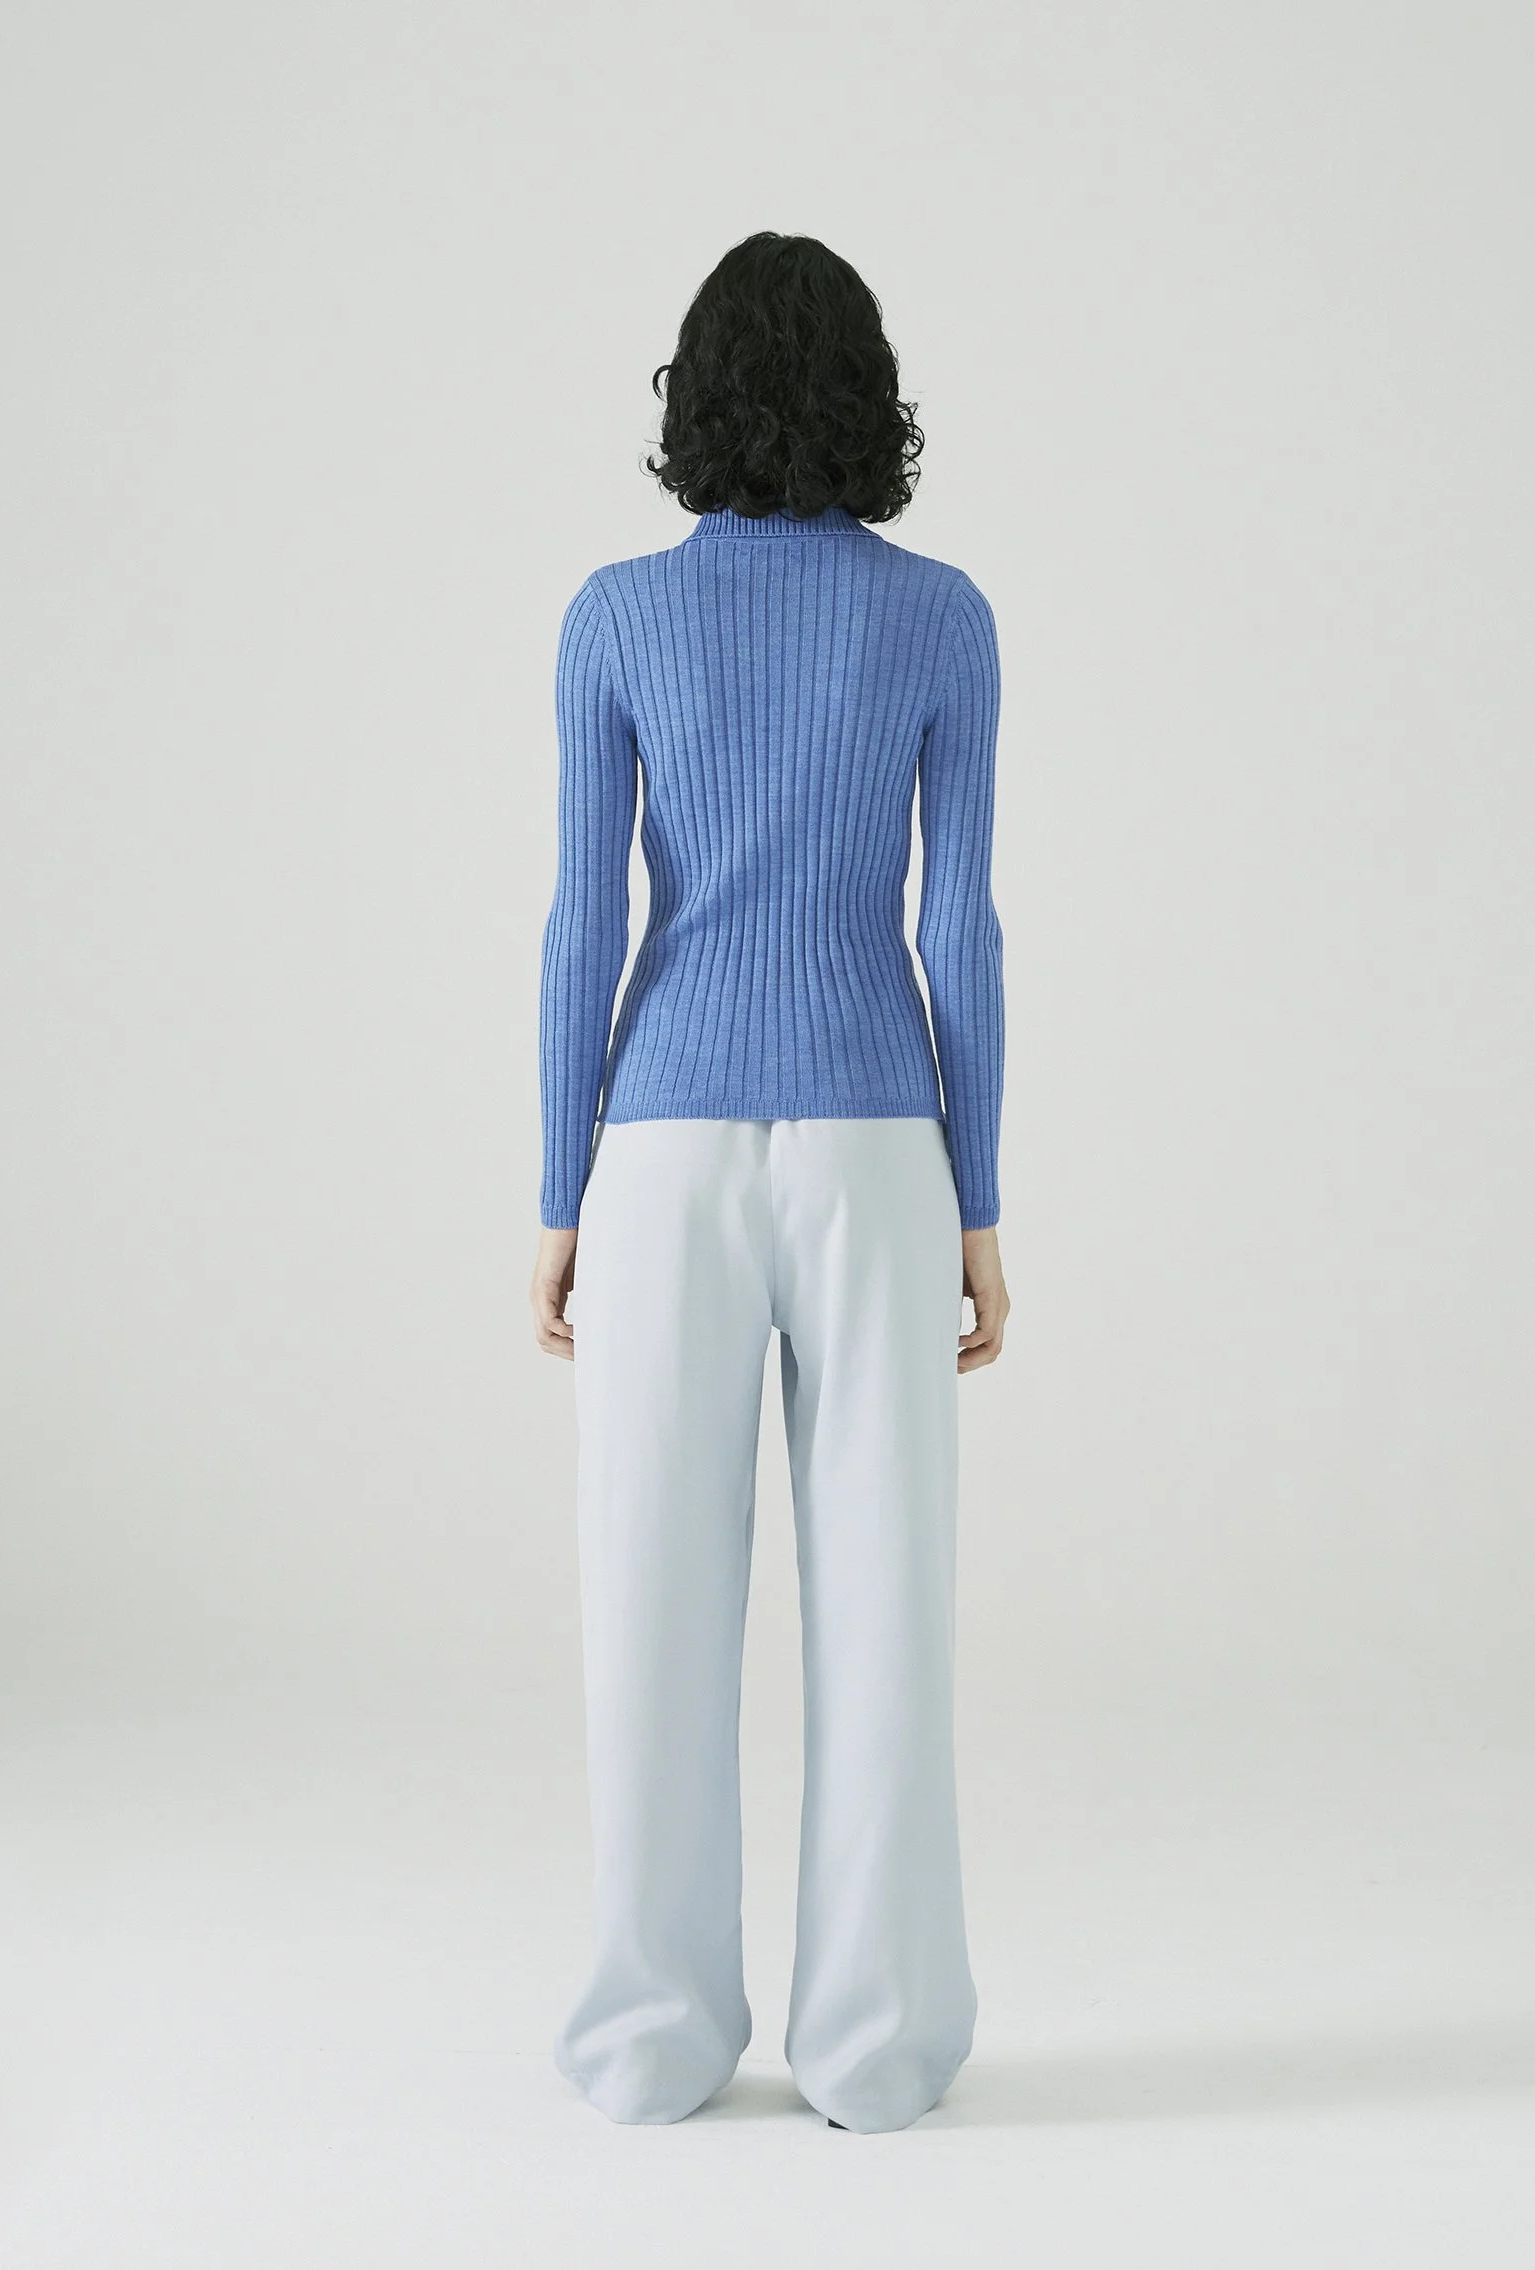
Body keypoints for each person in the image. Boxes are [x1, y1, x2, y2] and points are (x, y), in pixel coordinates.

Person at [530, 231, 1010, 2136]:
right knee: (887, 1601)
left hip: (659, 1148)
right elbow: (959, 927)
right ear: (870, 396)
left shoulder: (614, 618)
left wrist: (557, 1186)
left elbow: (584, 923)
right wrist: (982, 1198)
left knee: (649, 1595)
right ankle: (876, 2050)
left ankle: (652, 2038)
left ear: (695, 395)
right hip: (883, 1144)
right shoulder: (944, 617)